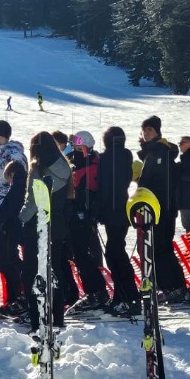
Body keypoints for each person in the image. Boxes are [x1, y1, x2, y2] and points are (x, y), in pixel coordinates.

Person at [19, 131, 71, 330]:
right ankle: (57, 318)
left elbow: (32, 201)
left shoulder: (37, 168)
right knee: (55, 271)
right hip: (57, 226)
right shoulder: (64, 166)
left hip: (37, 225)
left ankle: (37, 319)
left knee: (32, 273)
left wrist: (20, 220)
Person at [136, 115, 188, 302]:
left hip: (161, 210)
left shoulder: (160, 153)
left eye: (150, 129)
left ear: (158, 131)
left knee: (161, 249)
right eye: (145, 130)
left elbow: (161, 185)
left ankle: (174, 287)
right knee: (160, 248)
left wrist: (159, 208)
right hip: (157, 208)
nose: (147, 133)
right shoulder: (154, 152)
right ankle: (171, 286)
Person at [0, 120, 28, 315]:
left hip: (7, 215)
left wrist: (3, 215)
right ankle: (15, 299)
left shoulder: (14, 155)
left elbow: (16, 189)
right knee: (2, 259)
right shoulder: (0, 155)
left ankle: (21, 299)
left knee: (8, 259)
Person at [97, 127, 140, 316]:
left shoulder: (106, 158)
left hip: (111, 209)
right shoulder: (126, 155)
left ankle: (126, 294)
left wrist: (97, 210)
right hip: (122, 206)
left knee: (114, 253)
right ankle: (124, 294)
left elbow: (105, 186)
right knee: (116, 250)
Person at [66, 130, 108, 311]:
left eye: (77, 147)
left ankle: (96, 292)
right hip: (77, 214)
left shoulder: (91, 165)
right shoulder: (81, 162)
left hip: (83, 215)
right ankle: (94, 291)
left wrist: (87, 213)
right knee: (79, 255)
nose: (73, 150)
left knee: (83, 255)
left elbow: (88, 191)